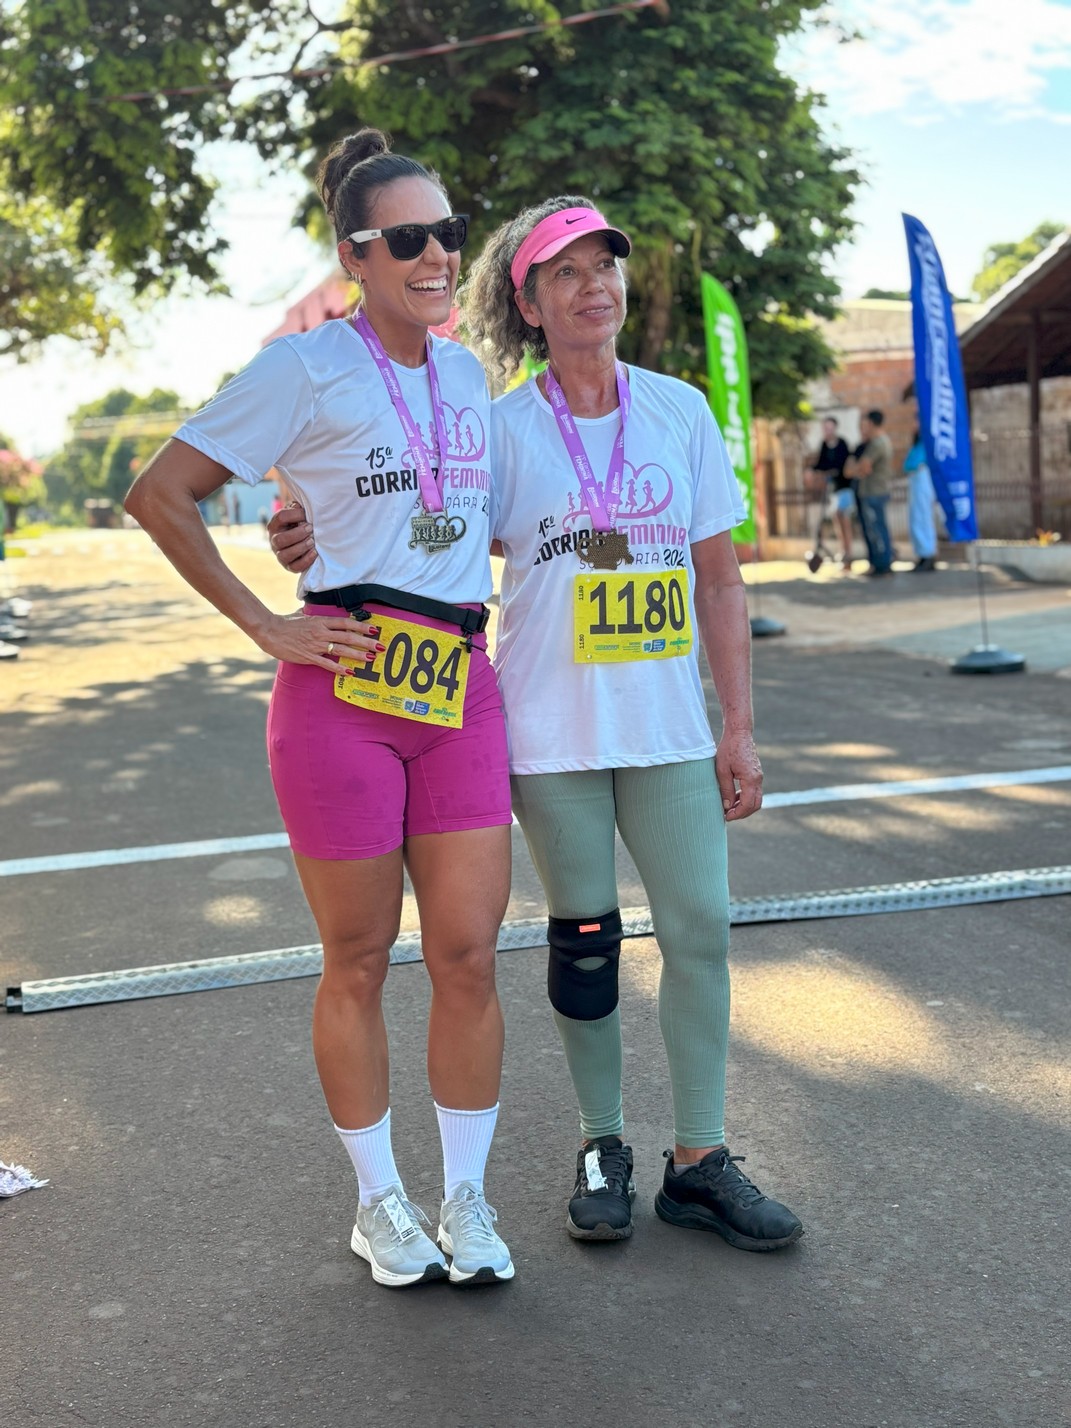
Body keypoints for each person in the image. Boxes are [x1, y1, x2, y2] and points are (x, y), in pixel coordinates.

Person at [274, 196, 803, 1255]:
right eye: (564, 272)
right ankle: (601, 1146)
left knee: (700, 929)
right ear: (529, 300)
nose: (592, 285)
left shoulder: (680, 413)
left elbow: (720, 583)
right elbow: (413, 519)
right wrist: (308, 528)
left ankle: (699, 1156)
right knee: (587, 944)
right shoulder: (497, 423)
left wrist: (738, 727)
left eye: (604, 265)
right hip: (550, 733)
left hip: (667, 731)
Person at [124, 129, 516, 1290]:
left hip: (457, 682)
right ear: (358, 257)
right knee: (356, 956)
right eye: (409, 238)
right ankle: (380, 1203)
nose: (437, 254)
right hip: (340, 686)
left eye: (448, 232)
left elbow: (445, 516)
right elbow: (163, 494)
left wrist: (307, 515)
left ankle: (468, 1201)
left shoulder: (467, 374)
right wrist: (266, 620)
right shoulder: (304, 367)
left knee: (469, 955)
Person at [848, 409, 895, 576]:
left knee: (877, 529)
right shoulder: (877, 442)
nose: (864, 428)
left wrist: (856, 468)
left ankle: (883, 563)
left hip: (874, 492)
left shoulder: (877, 443)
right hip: (872, 492)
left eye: (866, 424)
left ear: (872, 424)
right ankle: (880, 563)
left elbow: (863, 467)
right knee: (875, 528)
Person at [804, 416, 854, 568]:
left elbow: (841, 466)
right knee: (836, 519)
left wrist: (827, 472)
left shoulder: (842, 444)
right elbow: (821, 464)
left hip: (844, 488)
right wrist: (811, 471)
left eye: (830, 428)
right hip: (833, 490)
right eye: (825, 428)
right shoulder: (824, 445)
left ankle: (849, 553)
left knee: (844, 518)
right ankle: (843, 551)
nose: (827, 431)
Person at [904, 428, 938, 571]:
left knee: (923, 518)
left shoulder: (929, 438)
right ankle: (922, 554)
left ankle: (928, 554)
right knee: (916, 519)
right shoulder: (917, 443)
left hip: (923, 478)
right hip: (915, 479)